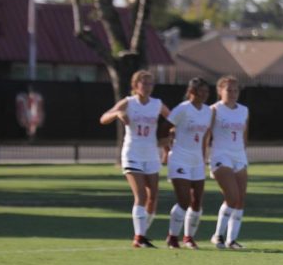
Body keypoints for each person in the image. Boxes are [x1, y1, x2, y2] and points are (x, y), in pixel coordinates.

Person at [99, 70, 170, 248]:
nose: (147, 87)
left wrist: (168, 140)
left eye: (150, 83)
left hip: (151, 154)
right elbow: (103, 118)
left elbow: (173, 120)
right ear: (135, 85)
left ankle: (142, 234)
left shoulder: (157, 104)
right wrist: (116, 114)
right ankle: (139, 237)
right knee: (140, 195)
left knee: (153, 196)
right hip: (132, 153)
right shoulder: (128, 102)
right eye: (143, 83)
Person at [164, 77, 213, 249]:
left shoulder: (208, 111)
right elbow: (165, 128)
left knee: (197, 202)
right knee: (184, 201)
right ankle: (172, 236)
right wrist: (165, 149)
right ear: (192, 92)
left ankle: (188, 238)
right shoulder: (182, 109)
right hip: (179, 158)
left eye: (207, 91)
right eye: (202, 91)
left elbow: (205, 136)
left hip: (197, 161)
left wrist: (203, 156)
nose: (205, 95)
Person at [208, 76, 249, 250]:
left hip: (239, 156)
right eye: (228, 90)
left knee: (240, 199)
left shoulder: (244, 110)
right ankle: (217, 235)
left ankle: (231, 240)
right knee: (231, 197)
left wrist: (243, 153)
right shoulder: (214, 110)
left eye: (235, 90)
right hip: (220, 156)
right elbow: (205, 134)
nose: (232, 93)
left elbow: (244, 135)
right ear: (220, 91)